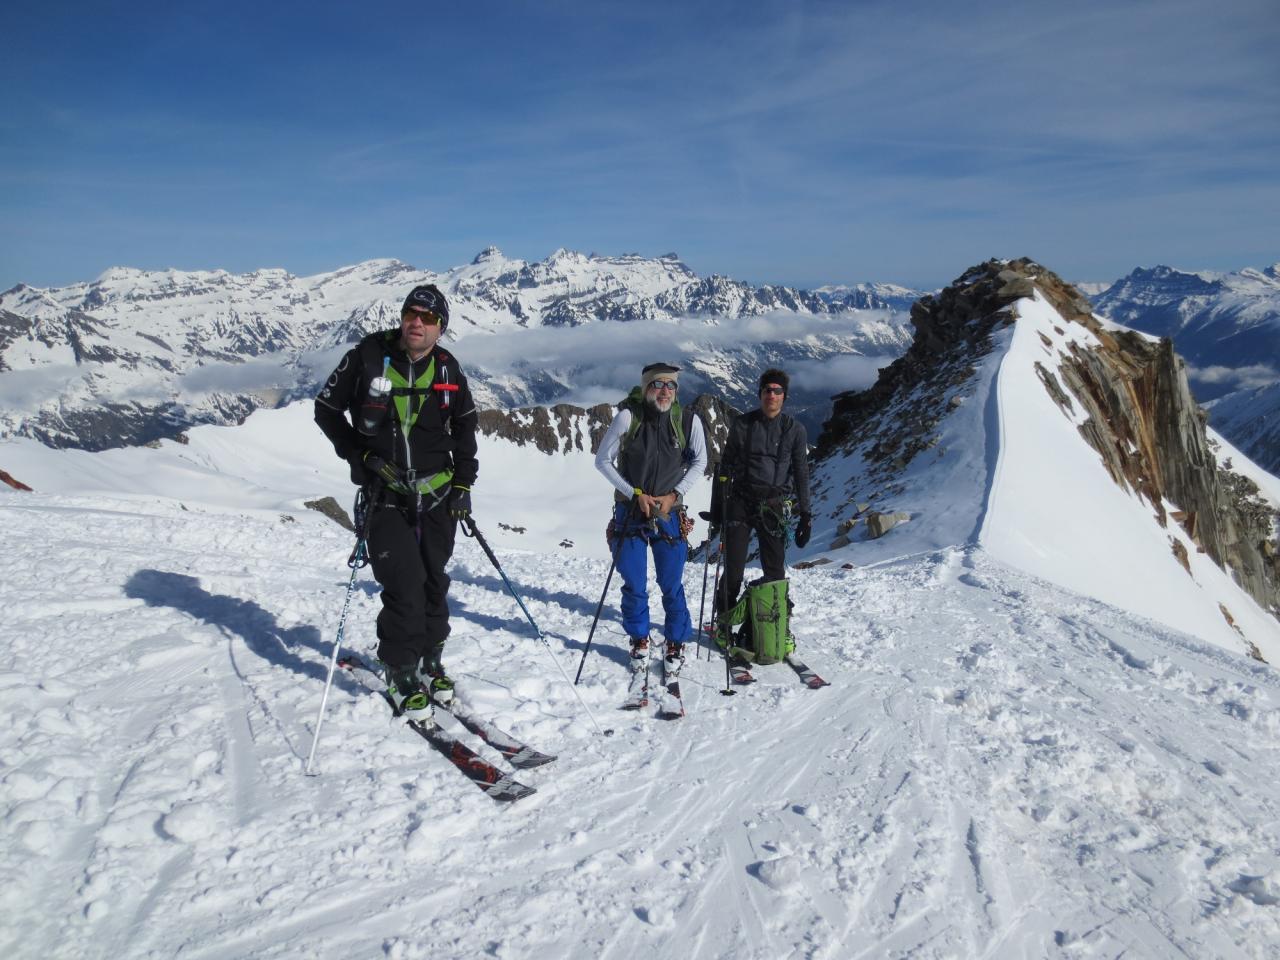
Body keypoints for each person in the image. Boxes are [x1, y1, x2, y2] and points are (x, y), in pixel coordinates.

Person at [314, 283, 478, 721]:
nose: (417, 323)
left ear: (441, 328)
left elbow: (466, 429)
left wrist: (463, 486)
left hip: (439, 496)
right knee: (403, 584)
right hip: (384, 495)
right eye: (411, 313)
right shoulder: (366, 356)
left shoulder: (447, 368)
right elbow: (326, 409)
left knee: (433, 580)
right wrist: (360, 455)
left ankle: (430, 659)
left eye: (427, 318)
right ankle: (401, 669)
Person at [594, 362, 708, 680]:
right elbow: (602, 460)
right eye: (658, 385)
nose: (665, 391)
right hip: (632, 511)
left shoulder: (687, 420)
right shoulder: (628, 419)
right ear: (646, 388)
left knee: (671, 582)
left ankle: (675, 640)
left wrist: (674, 495)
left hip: (668, 510)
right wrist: (634, 494)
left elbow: (701, 461)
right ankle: (640, 638)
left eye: (671, 386)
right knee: (634, 581)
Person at [711, 367, 812, 653]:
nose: (772, 395)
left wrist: (806, 514)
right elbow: (726, 469)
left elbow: (802, 473)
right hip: (740, 504)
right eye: (767, 390)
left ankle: (777, 625)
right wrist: (719, 509)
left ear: (785, 396)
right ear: (760, 394)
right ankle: (723, 624)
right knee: (733, 572)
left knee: (775, 572)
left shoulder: (795, 431)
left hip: (774, 508)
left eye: (777, 390)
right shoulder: (742, 425)